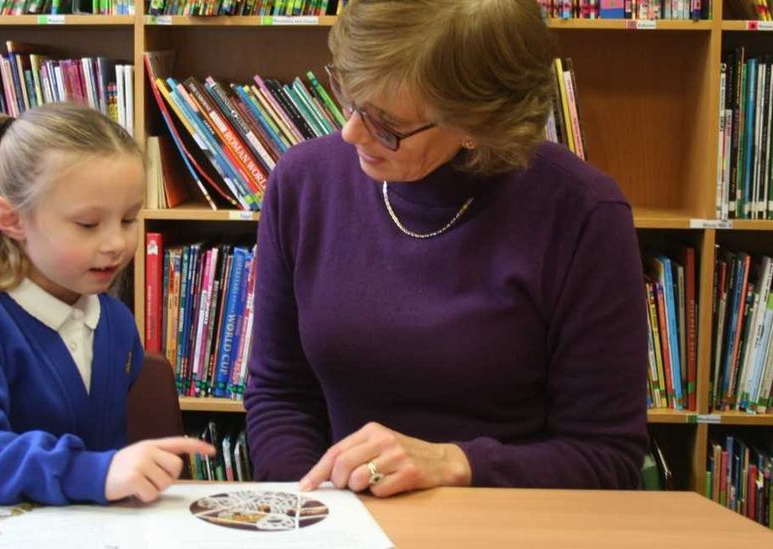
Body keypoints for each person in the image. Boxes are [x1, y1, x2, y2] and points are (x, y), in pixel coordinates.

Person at [244, 0, 648, 497]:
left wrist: (455, 463)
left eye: (387, 125)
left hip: (509, 523)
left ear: (478, 123)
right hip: (343, 519)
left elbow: (606, 455)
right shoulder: (304, 183)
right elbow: (280, 395)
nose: (351, 133)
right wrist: (309, 509)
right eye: (350, 100)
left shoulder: (583, 214)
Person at [0, 103, 214, 506]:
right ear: (12, 220)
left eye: (128, 219)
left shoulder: (116, 322)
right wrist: (94, 473)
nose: (116, 243)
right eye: (88, 224)